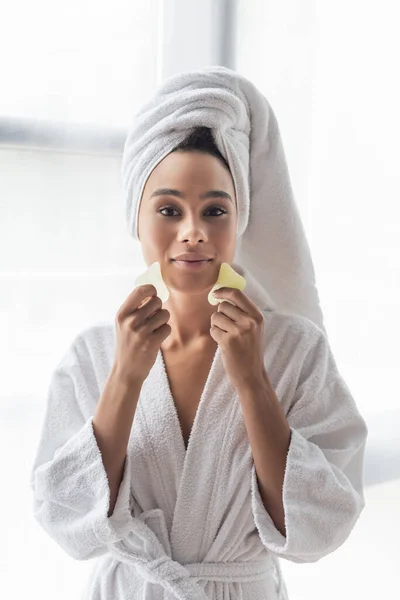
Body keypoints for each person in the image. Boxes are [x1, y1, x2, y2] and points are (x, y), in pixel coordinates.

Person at [30, 69, 368, 600]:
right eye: (168, 210)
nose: (193, 231)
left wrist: (253, 378)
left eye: (215, 210)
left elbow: (321, 528)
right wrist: (124, 377)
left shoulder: (295, 350)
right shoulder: (92, 355)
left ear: (240, 220)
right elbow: (66, 522)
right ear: (136, 220)